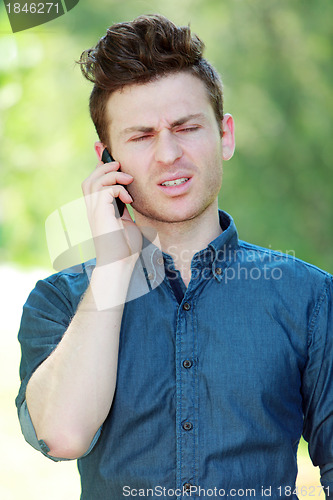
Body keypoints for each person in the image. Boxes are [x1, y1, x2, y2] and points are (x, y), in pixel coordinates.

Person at [16, 14, 333, 500]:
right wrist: (112, 270)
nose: (168, 154)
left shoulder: (310, 296)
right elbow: (62, 435)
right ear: (107, 160)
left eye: (185, 127)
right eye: (142, 136)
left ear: (224, 136)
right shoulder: (59, 301)